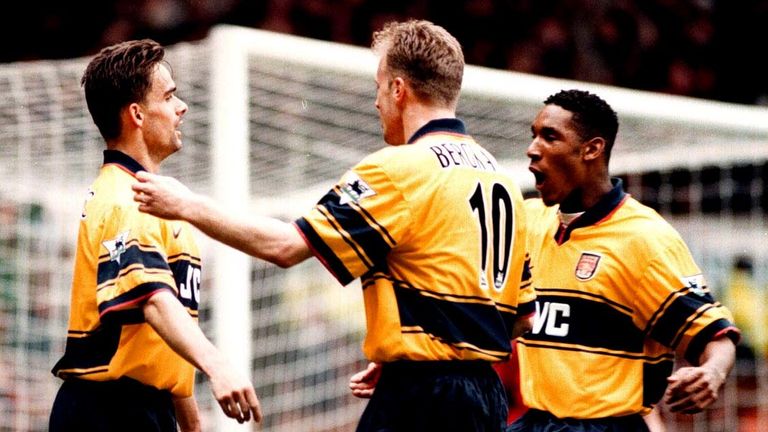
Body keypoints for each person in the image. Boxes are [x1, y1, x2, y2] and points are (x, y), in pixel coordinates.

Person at [131, 19, 536, 432]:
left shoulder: (397, 170)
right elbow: (522, 319)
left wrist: (187, 205)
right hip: (487, 399)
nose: (377, 102)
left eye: (379, 87)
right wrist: (422, 342)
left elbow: (286, 246)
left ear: (398, 89)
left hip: (423, 398)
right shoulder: (502, 178)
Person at [49, 39, 261, 432]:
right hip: (108, 410)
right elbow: (154, 302)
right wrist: (219, 366)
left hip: (147, 407)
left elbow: (159, 341)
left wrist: (192, 426)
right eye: (169, 96)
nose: (181, 108)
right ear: (138, 115)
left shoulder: (157, 199)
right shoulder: (125, 201)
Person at [507, 89, 740, 431]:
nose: (532, 149)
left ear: (592, 149)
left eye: (550, 136)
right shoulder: (527, 221)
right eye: (534, 136)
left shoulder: (644, 239)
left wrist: (711, 372)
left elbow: (713, 336)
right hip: (538, 420)